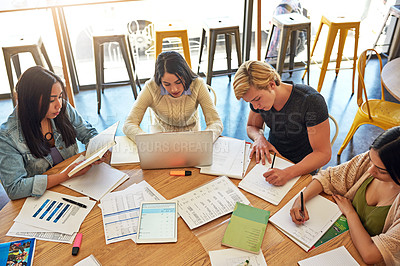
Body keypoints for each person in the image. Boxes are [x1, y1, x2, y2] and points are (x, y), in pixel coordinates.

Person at [290, 127, 400, 265]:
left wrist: (350, 213)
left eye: (381, 171)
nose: (370, 170)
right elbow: (328, 177)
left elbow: (371, 255)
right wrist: (301, 198)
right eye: (371, 160)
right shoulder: (371, 160)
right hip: (340, 242)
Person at [0, 66, 99, 200]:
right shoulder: (7, 136)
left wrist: (99, 149)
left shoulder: (62, 108)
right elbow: (15, 188)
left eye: (60, 96)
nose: (59, 104)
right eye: (51, 100)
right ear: (30, 100)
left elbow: (88, 133)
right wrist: (65, 175)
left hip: (79, 185)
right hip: (42, 198)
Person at [232, 60, 331, 186]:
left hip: (302, 166)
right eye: (250, 102)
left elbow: (323, 153)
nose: (255, 106)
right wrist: (259, 138)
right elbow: (252, 126)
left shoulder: (310, 101)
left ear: (271, 84)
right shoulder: (258, 101)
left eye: (257, 99)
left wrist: (287, 173)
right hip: (273, 157)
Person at [123, 51, 223, 143]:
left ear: (185, 75)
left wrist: (206, 141)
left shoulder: (198, 84)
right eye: (167, 84)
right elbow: (129, 124)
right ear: (160, 80)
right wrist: (148, 142)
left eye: (178, 82)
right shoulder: (151, 87)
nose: (174, 89)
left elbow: (215, 122)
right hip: (160, 139)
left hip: (192, 139)